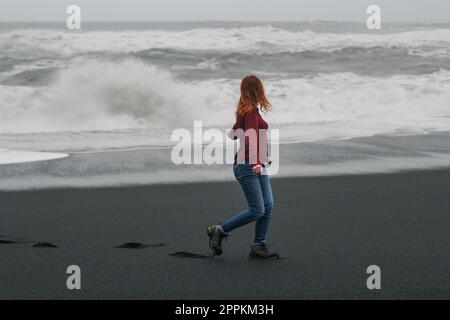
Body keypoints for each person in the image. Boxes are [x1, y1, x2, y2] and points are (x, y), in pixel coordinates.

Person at [207, 75, 279, 259]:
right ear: (257, 89)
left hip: (255, 163)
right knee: (257, 209)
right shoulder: (250, 112)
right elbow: (250, 137)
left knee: (268, 206)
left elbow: (236, 134)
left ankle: (258, 244)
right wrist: (255, 160)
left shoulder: (245, 110)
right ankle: (219, 230)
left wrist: (234, 133)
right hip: (248, 165)